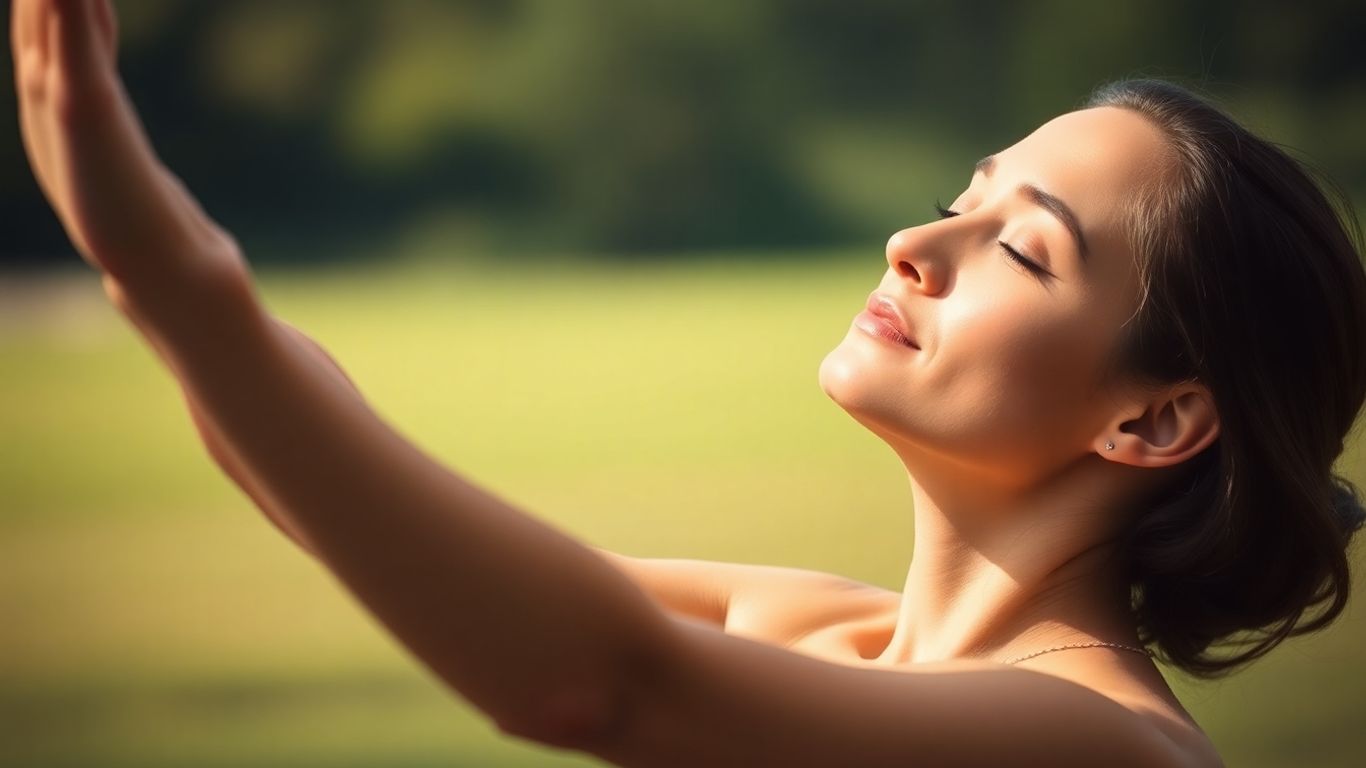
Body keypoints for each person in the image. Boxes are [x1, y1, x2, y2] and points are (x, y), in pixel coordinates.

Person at [14, 0, 1366, 765]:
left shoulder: (1102, 749)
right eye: (962, 197)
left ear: (1153, 416)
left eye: (1017, 244)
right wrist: (149, 258)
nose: (913, 243)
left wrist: (170, 269)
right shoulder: (826, 629)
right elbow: (335, 507)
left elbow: (591, 685)